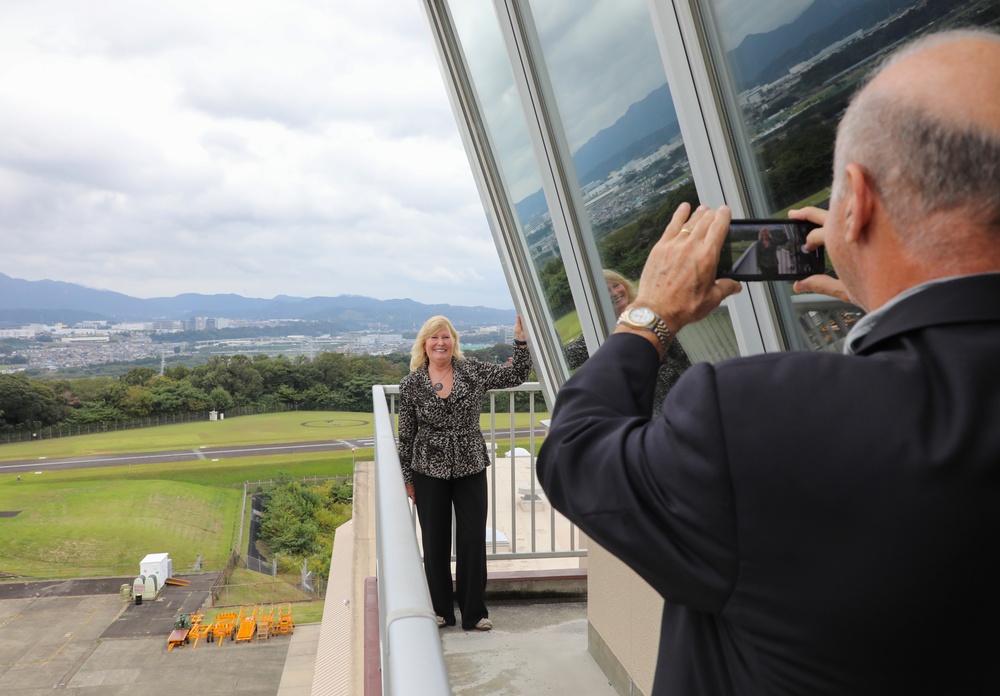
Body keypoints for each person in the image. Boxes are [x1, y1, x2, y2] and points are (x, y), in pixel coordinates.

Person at [537, 29, 1000, 695]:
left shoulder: (755, 420)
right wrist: (885, 294)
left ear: (859, 199)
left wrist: (650, 313)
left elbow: (575, 455)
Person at [398, 314, 531, 631]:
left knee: (472, 539)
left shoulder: (473, 371)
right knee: (435, 541)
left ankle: (474, 613)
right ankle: (442, 610)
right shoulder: (412, 384)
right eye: (434, 338)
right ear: (424, 345)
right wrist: (407, 479)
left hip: (470, 464)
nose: (440, 343)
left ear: (454, 341)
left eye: (445, 337)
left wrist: (521, 339)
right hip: (428, 469)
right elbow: (405, 435)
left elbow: (517, 374)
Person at [565, 269, 692, 417]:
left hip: (677, 394)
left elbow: (681, 356)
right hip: (641, 410)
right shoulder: (600, 330)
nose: (614, 293)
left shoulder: (650, 314)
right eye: (606, 290)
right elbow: (568, 358)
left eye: (616, 285)